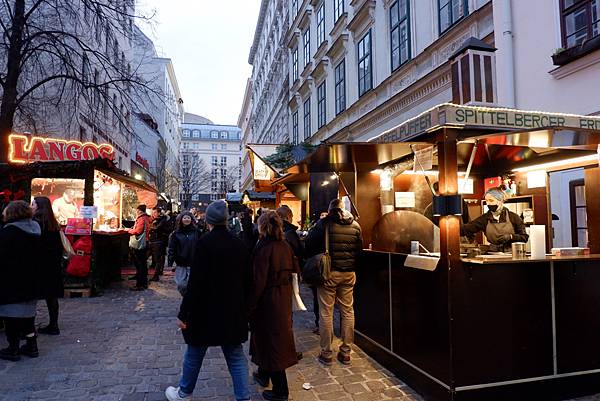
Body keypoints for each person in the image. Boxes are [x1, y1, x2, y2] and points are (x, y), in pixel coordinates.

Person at [165, 200, 251, 401]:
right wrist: (246, 308)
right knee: (236, 356)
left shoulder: (204, 243)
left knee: (194, 353)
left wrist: (183, 313)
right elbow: (248, 280)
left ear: (209, 220)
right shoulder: (239, 243)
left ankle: (184, 393)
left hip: (205, 310)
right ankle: (244, 398)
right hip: (232, 309)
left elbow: (195, 283)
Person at [305, 199, 363, 366]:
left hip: (328, 273)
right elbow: (359, 249)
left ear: (330, 210)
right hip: (349, 273)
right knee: (347, 311)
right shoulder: (356, 225)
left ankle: (327, 352)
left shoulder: (324, 224)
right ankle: (346, 352)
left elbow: (309, 243)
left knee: (326, 312)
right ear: (343, 209)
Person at [249, 211, 299, 401]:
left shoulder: (264, 247)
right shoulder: (285, 245)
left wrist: (250, 305)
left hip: (268, 301)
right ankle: (263, 374)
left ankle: (281, 391)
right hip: (282, 299)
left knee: (272, 343)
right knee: (268, 339)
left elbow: (258, 280)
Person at [0, 201, 43, 361]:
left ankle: (13, 348)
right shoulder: (36, 229)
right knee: (28, 315)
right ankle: (32, 345)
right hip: (32, 278)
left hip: (11, 279)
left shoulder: (9, 232)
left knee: (11, 316)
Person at [31, 197, 64, 335]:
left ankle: (28, 329)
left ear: (39, 207)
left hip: (38, 266)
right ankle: (53, 324)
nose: (31, 206)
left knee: (31, 298)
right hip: (52, 266)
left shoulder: (34, 224)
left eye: (33, 204)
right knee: (51, 297)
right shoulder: (53, 225)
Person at [461, 187, 529, 252]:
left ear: (500, 201)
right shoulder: (484, 219)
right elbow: (467, 229)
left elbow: (524, 237)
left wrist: (511, 237)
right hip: (493, 253)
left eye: (491, 200)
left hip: (512, 253)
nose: (488, 203)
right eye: (486, 201)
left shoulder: (514, 217)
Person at [167, 211, 199, 281]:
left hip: (193, 261)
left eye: (188, 218)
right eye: (185, 218)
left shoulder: (196, 232)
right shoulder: (176, 233)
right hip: (181, 262)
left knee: (191, 283)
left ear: (191, 219)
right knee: (181, 284)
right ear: (181, 220)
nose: (187, 219)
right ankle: (185, 292)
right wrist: (170, 262)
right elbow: (171, 248)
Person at [126, 204, 151, 291]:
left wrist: (128, 230)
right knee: (142, 263)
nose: (136, 212)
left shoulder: (142, 218)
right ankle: (143, 282)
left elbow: (138, 231)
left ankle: (140, 284)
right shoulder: (146, 218)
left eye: (137, 210)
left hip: (140, 244)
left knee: (140, 263)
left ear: (139, 210)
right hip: (145, 242)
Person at [148, 207, 171, 282]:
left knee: (158, 258)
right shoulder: (156, 219)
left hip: (159, 241)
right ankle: (158, 272)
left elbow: (158, 228)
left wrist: (151, 228)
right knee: (158, 258)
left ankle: (156, 275)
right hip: (155, 240)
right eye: (152, 212)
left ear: (158, 213)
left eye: (155, 212)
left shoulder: (162, 220)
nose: (153, 214)